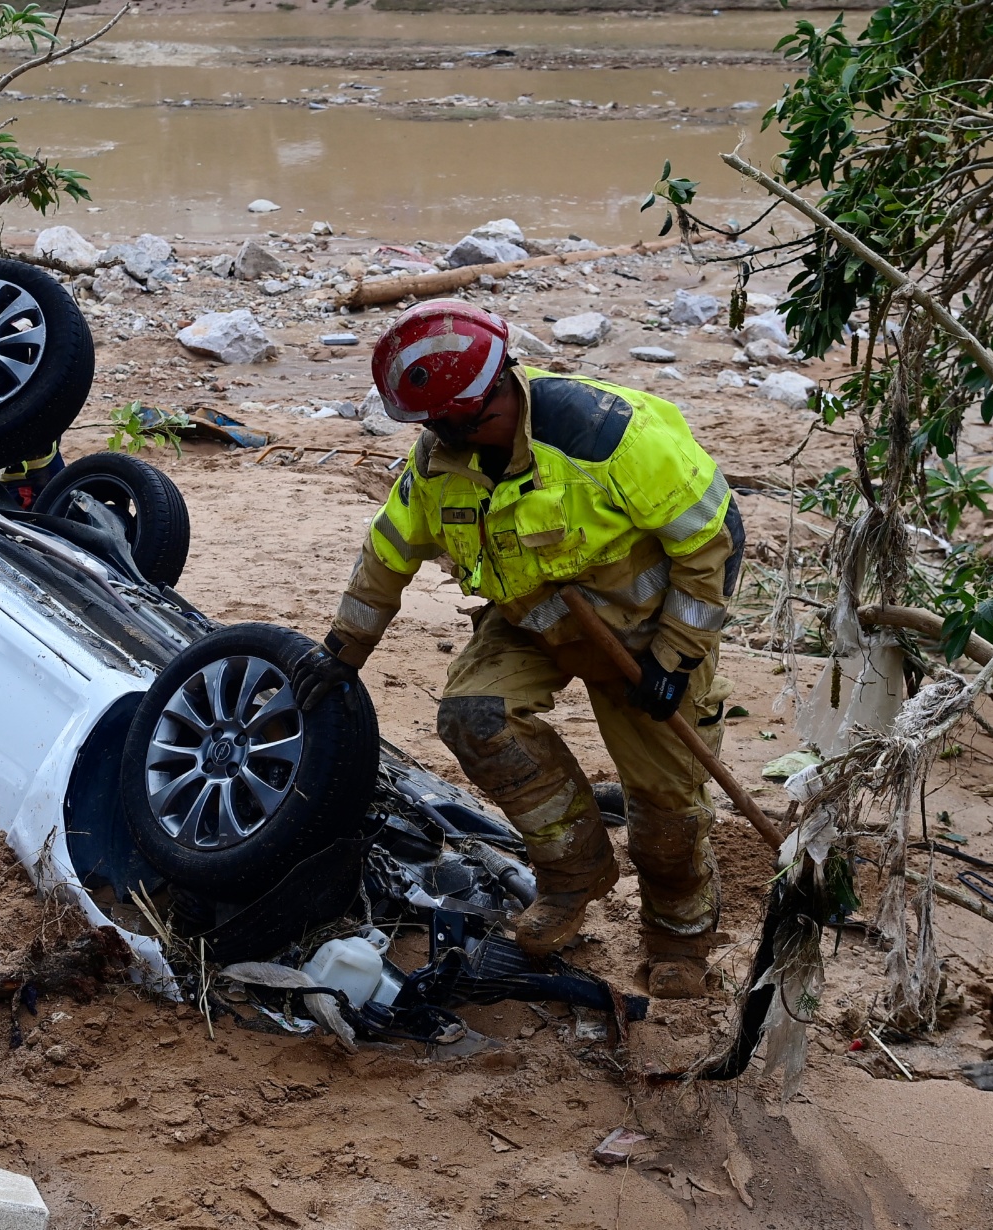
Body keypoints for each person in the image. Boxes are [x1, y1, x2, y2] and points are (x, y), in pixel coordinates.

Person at [291, 299, 744, 998]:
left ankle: (678, 938)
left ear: (491, 394)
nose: (442, 440)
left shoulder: (611, 438)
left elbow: (711, 540)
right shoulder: (442, 463)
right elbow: (389, 550)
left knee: (666, 812)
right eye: (433, 429)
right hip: (533, 619)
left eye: (450, 425)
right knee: (474, 715)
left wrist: (677, 658)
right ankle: (573, 875)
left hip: (645, 636)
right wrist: (344, 647)